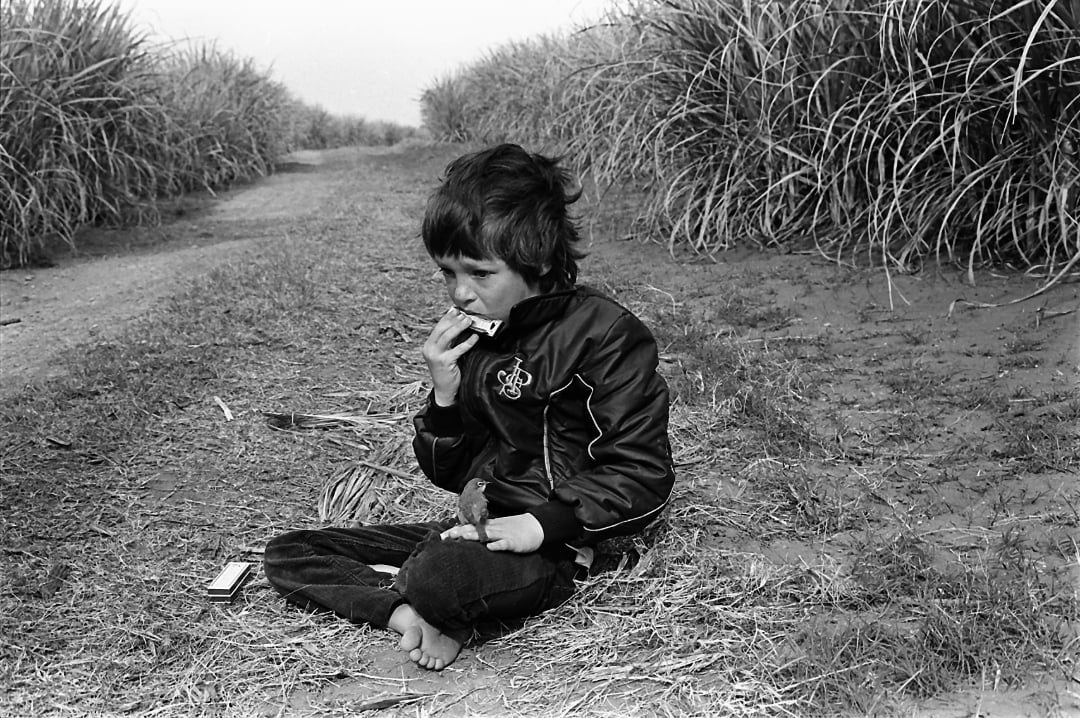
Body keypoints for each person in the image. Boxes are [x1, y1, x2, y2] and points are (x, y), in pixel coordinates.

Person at [263, 143, 675, 671]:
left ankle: (435, 594)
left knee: (439, 574)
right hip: (476, 530)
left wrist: (543, 525)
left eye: (480, 274)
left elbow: (641, 472)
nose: (460, 293)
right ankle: (406, 613)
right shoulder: (479, 340)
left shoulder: (605, 335)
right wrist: (444, 394)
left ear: (540, 260)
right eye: (447, 273)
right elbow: (453, 475)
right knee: (291, 551)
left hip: (553, 545)